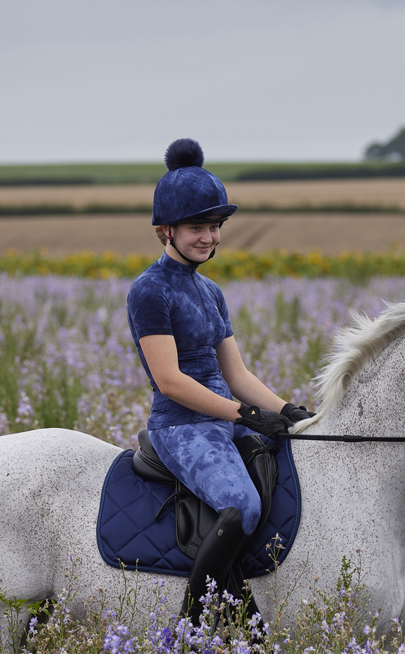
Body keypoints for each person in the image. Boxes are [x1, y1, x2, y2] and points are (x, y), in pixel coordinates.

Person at [127, 138, 314, 625]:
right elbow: (169, 381)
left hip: (224, 420)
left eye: (214, 227)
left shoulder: (210, 290)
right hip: (181, 427)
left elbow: (235, 374)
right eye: (196, 227)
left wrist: (288, 410)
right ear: (164, 230)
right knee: (241, 504)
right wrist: (245, 415)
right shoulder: (150, 291)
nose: (208, 237)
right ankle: (196, 624)